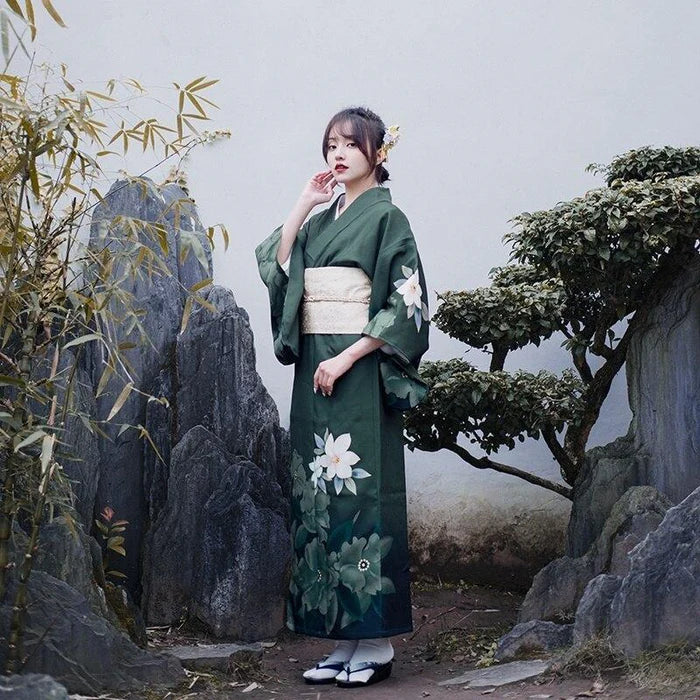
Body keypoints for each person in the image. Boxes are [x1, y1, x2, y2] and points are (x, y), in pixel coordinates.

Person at [255, 106, 430, 688]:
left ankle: (375, 639)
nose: (338, 154)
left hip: (355, 373)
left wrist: (349, 356)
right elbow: (283, 273)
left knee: (362, 494)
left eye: (351, 144)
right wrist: (303, 203)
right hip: (314, 367)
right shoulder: (323, 217)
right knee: (319, 497)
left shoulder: (389, 219)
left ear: (378, 153)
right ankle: (342, 637)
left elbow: (405, 304)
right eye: (331, 144)